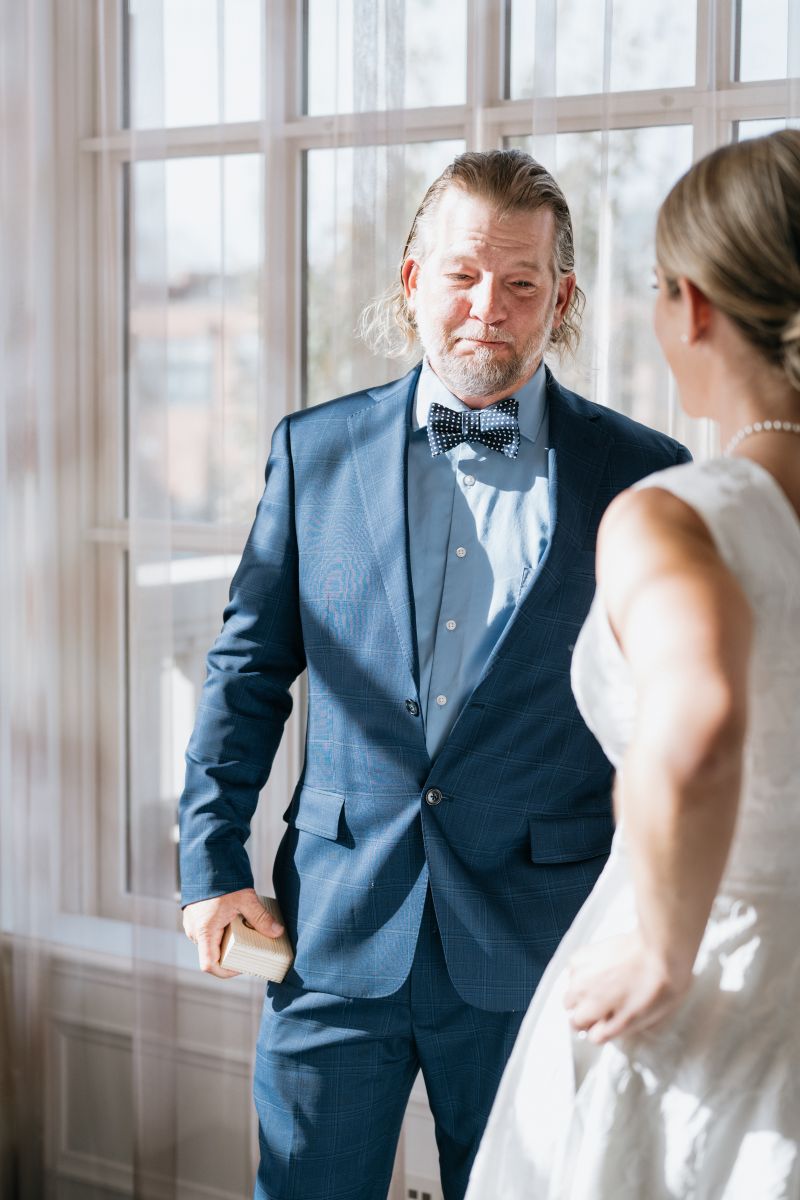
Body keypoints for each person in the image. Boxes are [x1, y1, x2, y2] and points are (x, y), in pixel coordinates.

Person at [178, 149, 689, 1200]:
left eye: (518, 282)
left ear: (562, 297)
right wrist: (210, 863)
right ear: (412, 280)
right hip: (330, 936)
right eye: (460, 274)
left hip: (541, 948)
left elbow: (676, 726)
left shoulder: (641, 476)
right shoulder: (310, 452)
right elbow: (245, 671)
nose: (485, 308)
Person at [466, 130, 800, 1200]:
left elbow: (700, 718)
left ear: (690, 305)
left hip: (719, 995)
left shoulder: (675, 515)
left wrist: (663, 950)